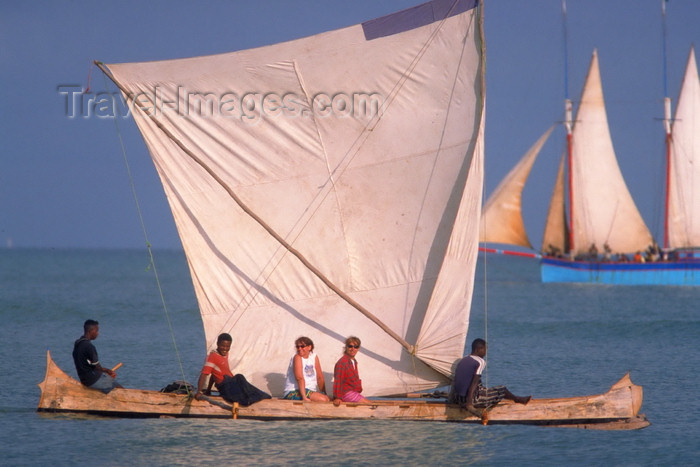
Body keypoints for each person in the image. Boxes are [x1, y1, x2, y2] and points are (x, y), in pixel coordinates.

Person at [449, 338, 530, 417]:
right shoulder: (480, 361)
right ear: (478, 349)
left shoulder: (464, 359)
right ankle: (517, 399)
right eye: (485, 349)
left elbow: (457, 379)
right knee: (502, 389)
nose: (485, 353)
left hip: (458, 399)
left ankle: (516, 398)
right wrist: (469, 403)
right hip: (471, 400)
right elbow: (474, 383)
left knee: (480, 384)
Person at [194, 333, 270, 406]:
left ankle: (262, 396)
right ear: (217, 344)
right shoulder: (213, 357)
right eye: (222, 346)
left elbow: (214, 374)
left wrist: (208, 390)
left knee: (240, 379)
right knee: (240, 379)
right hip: (226, 387)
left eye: (228, 346)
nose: (225, 349)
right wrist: (199, 392)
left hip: (232, 382)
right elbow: (204, 374)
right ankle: (258, 398)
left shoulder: (225, 354)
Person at [72, 319, 123, 394]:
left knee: (107, 382)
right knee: (120, 389)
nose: (97, 333)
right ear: (90, 331)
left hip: (84, 379)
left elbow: (89, 365)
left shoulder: (78, 343)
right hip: (92, 379)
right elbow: (97, 367)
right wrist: (107, 371)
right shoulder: (89, 346)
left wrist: (105, 373)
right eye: (96, 331)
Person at [283, 337, 329, 402]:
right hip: (294, 391)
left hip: (310, 390)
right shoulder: (297, 357)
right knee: (323, 399)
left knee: (327, 399)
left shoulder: (314, 357)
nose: (299, 349)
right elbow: (299, 378)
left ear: (309, 347)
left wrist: (324, 393)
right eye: (297, 347)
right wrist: (304, 397)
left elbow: (319, 377)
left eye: (302, 346)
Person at [333, 336, 370, 405]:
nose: (353, 349)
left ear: (358, 348)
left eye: (356, 347)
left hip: (353, 392)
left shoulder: (354, 361)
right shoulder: (342, 362)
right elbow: (338, 380)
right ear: (346, 347)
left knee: (370, 403)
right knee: (369, 404)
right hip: (345, 393)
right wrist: (337, 397)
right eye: (350, 346)